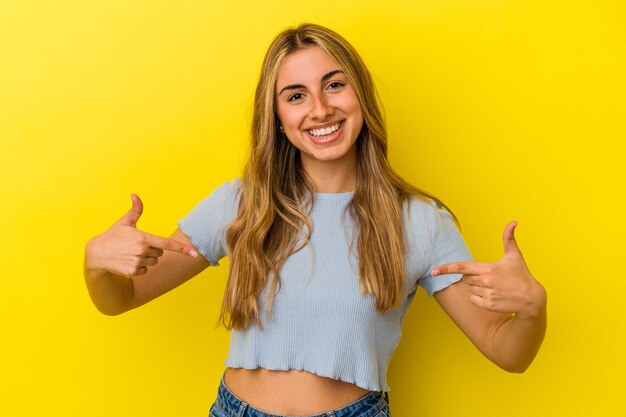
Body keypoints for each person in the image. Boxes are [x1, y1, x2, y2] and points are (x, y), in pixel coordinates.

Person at [83, 23, 547, 417]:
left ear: (360, 95)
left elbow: (507, 351)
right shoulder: (242, 204)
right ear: (278, 117)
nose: (320, 108)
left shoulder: (420, 222)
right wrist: (96, 264)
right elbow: (121, 299)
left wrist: (531, 311)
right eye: (296, 95)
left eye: (335, 84)